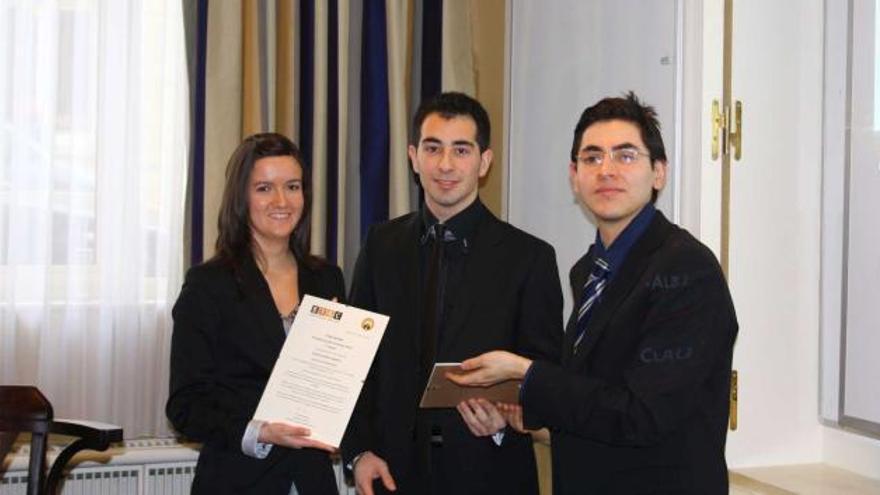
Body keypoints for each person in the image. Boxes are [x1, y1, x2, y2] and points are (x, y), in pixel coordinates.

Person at [449, 93, 739, 494]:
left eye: (625, 156)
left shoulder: (687, 269)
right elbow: (595, 399)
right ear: (574, 175)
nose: (606, 170)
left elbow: (642, 415)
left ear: (659, 173)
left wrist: (526, 373)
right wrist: (527, 417)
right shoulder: (588, 270)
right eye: (592, 157)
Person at [341, 92, 563, 495]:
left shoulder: (530, 258)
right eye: (433, 148)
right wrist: (358, 453)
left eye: (461, 150)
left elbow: (545, 371)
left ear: (484, 162)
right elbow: (356, 360)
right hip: (391, 474)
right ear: (413, 157)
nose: (445, 165)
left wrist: (509, 417)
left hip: (490, 471)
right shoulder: (381, 245)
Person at [166, 133, 344, 494]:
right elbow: (185, 405)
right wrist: (259, 431)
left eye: (293, 186)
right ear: (241, 198)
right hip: (237, 480)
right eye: (264, 188)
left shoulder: (327, 279)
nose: (282, 201)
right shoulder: (208, 285)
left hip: (312, 481)